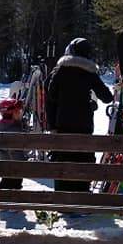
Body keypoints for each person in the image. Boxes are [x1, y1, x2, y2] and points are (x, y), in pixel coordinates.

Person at [45, 37, 113, 192]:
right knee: (83, 161)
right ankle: (82, 199)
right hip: (84, 125)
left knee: (63, 161)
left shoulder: (60, 71)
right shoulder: (89, 73)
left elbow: (51, 96)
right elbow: (107, 97)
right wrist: (89, 103)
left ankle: (64, 201)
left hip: (62, 125)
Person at [0, 98, 26, 190]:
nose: (20, 114)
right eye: (18, 112)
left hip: (8, 169)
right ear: (10, 113)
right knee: (11, 188)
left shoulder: (4, 127)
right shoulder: (13, 131)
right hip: (14, 170)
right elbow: (16, 153)